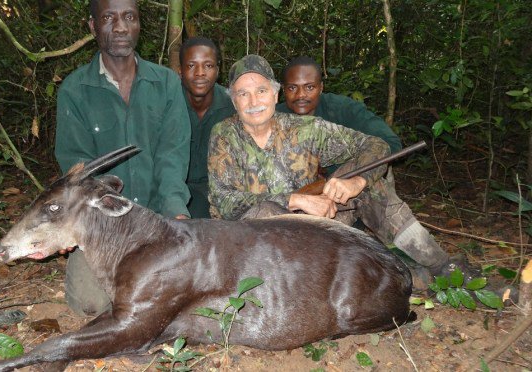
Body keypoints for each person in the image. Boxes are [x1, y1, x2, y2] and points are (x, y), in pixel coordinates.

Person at [208, 54, 468, 288]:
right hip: (253, 246)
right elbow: (226, 201)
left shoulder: (306, 128)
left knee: (371, 186)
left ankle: (441, 266)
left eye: (261, 90)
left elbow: (376, 145)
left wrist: (356, 182)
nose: (254, 101)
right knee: (268, 213)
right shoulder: (224, 135)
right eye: (243, 94)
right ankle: (390, 277)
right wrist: (296, 200)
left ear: (275, 94)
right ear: (234, 100)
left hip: (311, 233)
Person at [54, 0, 191, 315]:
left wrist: (175, 213)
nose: (120, 27)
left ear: (139, 24)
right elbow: (78, 170)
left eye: (129, 17)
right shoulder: (75, 90)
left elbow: (173, 154)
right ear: (93, 26)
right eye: (108, 18)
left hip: (158, 219)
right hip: (104, 224)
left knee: (180, 296)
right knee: (91, 304)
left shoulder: (166, 83)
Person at [179, 37, 236, 218]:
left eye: (208, 66)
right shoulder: (167, 102)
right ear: (180, 70)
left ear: (218, 70)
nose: (200, 73)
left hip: (213, 191)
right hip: (174, 188)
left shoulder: (232, 106)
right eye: (191, 66)